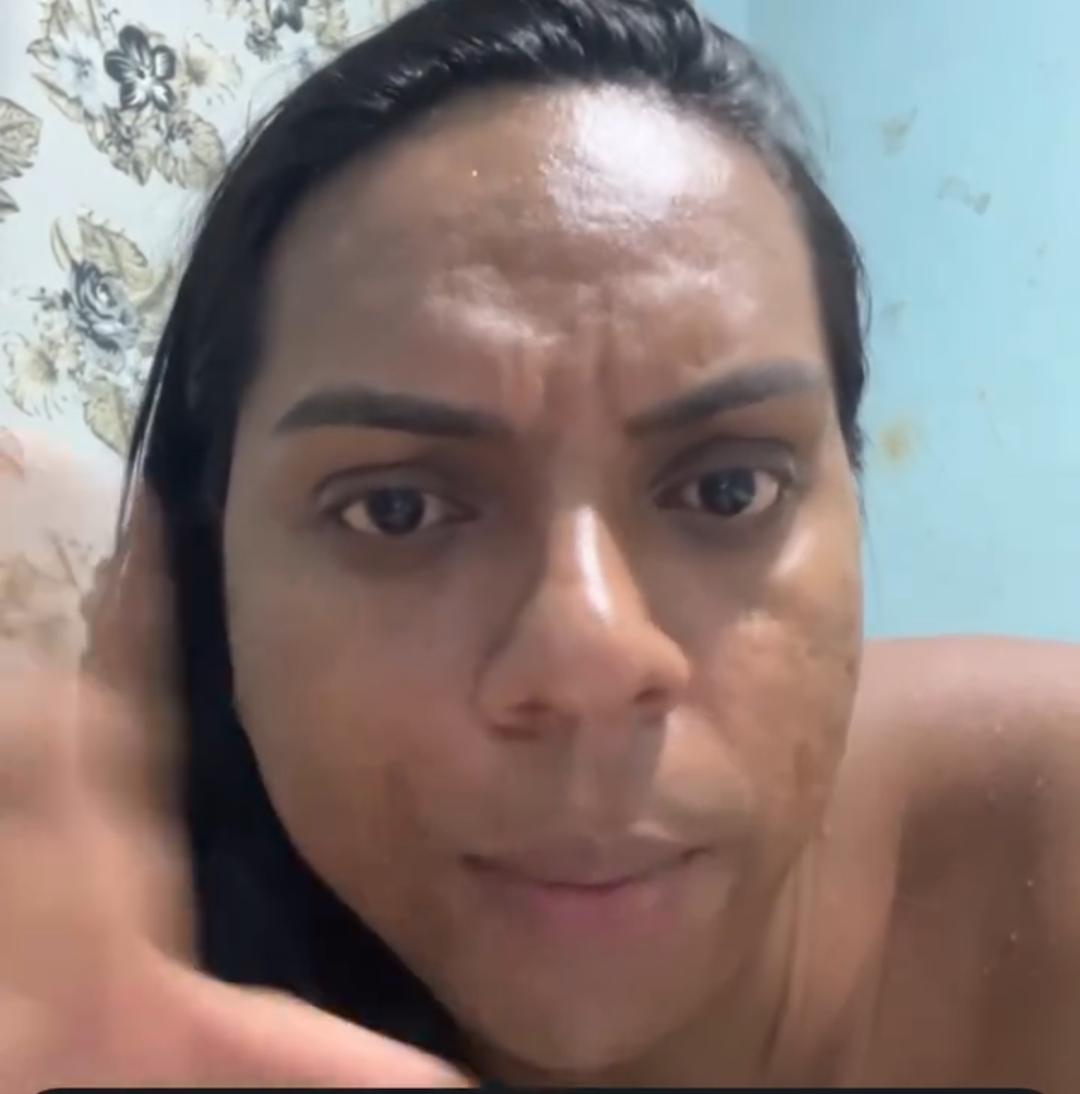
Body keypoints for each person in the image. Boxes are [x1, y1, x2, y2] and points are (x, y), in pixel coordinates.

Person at [3, 0, 1079, 1088]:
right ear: (213, 571)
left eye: (727, 488)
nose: (588, 663)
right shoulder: (92, 979)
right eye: (397, 510)